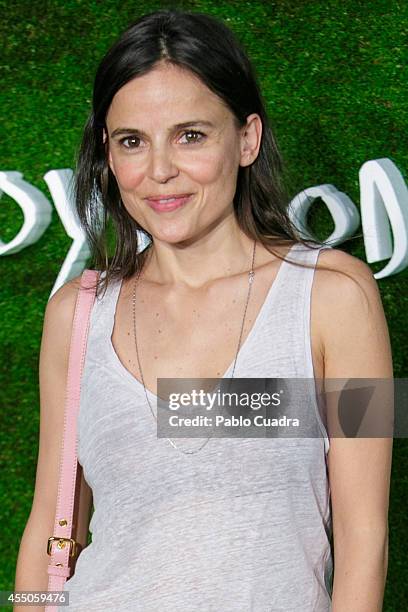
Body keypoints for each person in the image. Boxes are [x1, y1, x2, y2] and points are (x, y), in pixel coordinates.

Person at [14, 9, 393, 612]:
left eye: (191, 135)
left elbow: (365, 538)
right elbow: (50, 530)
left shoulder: (335, 295)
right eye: (131, 141)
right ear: (108, 156)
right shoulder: (75, 313)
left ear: (247, 139)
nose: (160, 171)